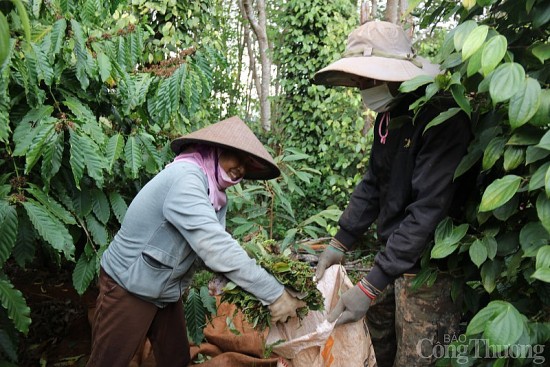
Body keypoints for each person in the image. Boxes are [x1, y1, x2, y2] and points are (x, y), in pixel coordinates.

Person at [312, 21, 472, 366]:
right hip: (394, 256)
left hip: (431, 269)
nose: (364, 88)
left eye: (370, 79)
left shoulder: (441, 117)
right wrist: (341, 241)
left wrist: (370, 285)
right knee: (374, 346)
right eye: (361, 81)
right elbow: (374, 181)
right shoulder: (389, 116)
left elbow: (429, 210)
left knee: (417, 359)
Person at [87, 116, 305, 367]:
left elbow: (209, 250)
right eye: (237, 157)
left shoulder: (216, 195)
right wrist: (274, 293)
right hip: (128, 285)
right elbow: (215, 247)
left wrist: (235, 281)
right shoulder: (186, 179)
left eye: (248, 164)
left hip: (165, 291)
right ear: (216, 149)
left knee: (176, 359)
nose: (241, 169)